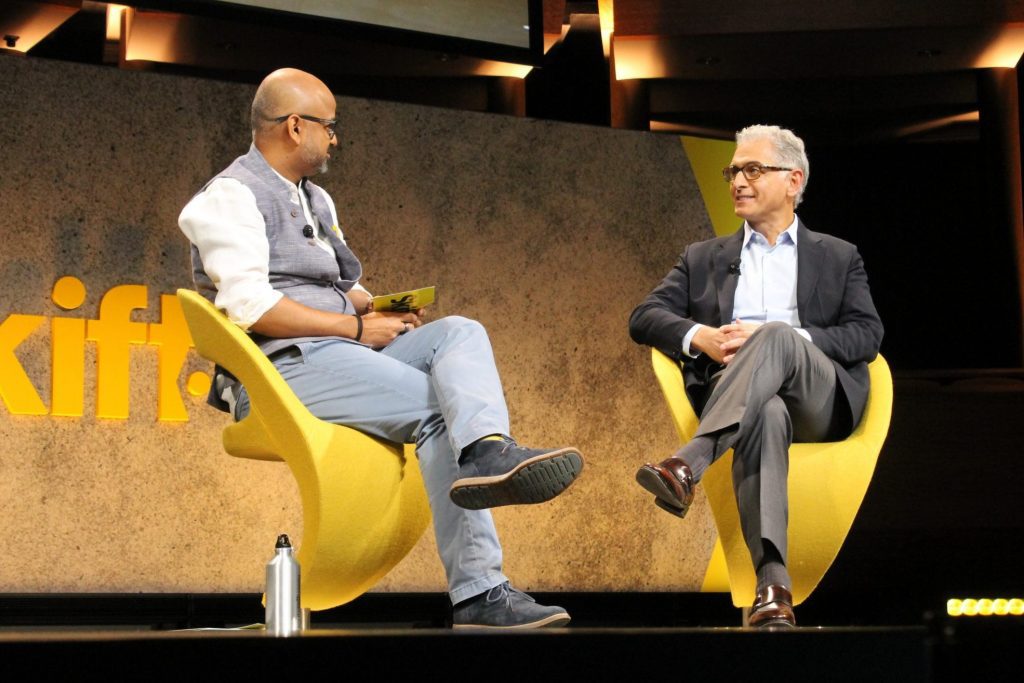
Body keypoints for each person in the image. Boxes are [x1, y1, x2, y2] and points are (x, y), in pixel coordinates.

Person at [179, 68, 584, 629]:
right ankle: (480, 594)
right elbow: (252, 309)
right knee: (438, 412)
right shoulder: (231, 196)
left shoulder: (314, 199)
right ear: (295, 127)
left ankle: (487, 449)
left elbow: (339, 282)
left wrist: (379, 309)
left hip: (338, 355)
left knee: (460, 331)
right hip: (281, 370)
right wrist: (353, 329)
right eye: (329, 126)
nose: (335, 138)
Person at [629, 125, 883, 628]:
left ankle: (688, 464)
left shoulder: (838, 255)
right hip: (740, 400)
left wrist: (791, 339)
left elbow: (866, 334)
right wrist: (698, 334)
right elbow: (643, 317)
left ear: (793, 180)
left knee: (775, 335)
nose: (737, 182)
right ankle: (773, 587)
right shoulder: (703, 257)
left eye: (752, 169)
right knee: (763, 412)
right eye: (732, 172)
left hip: (817, 398)